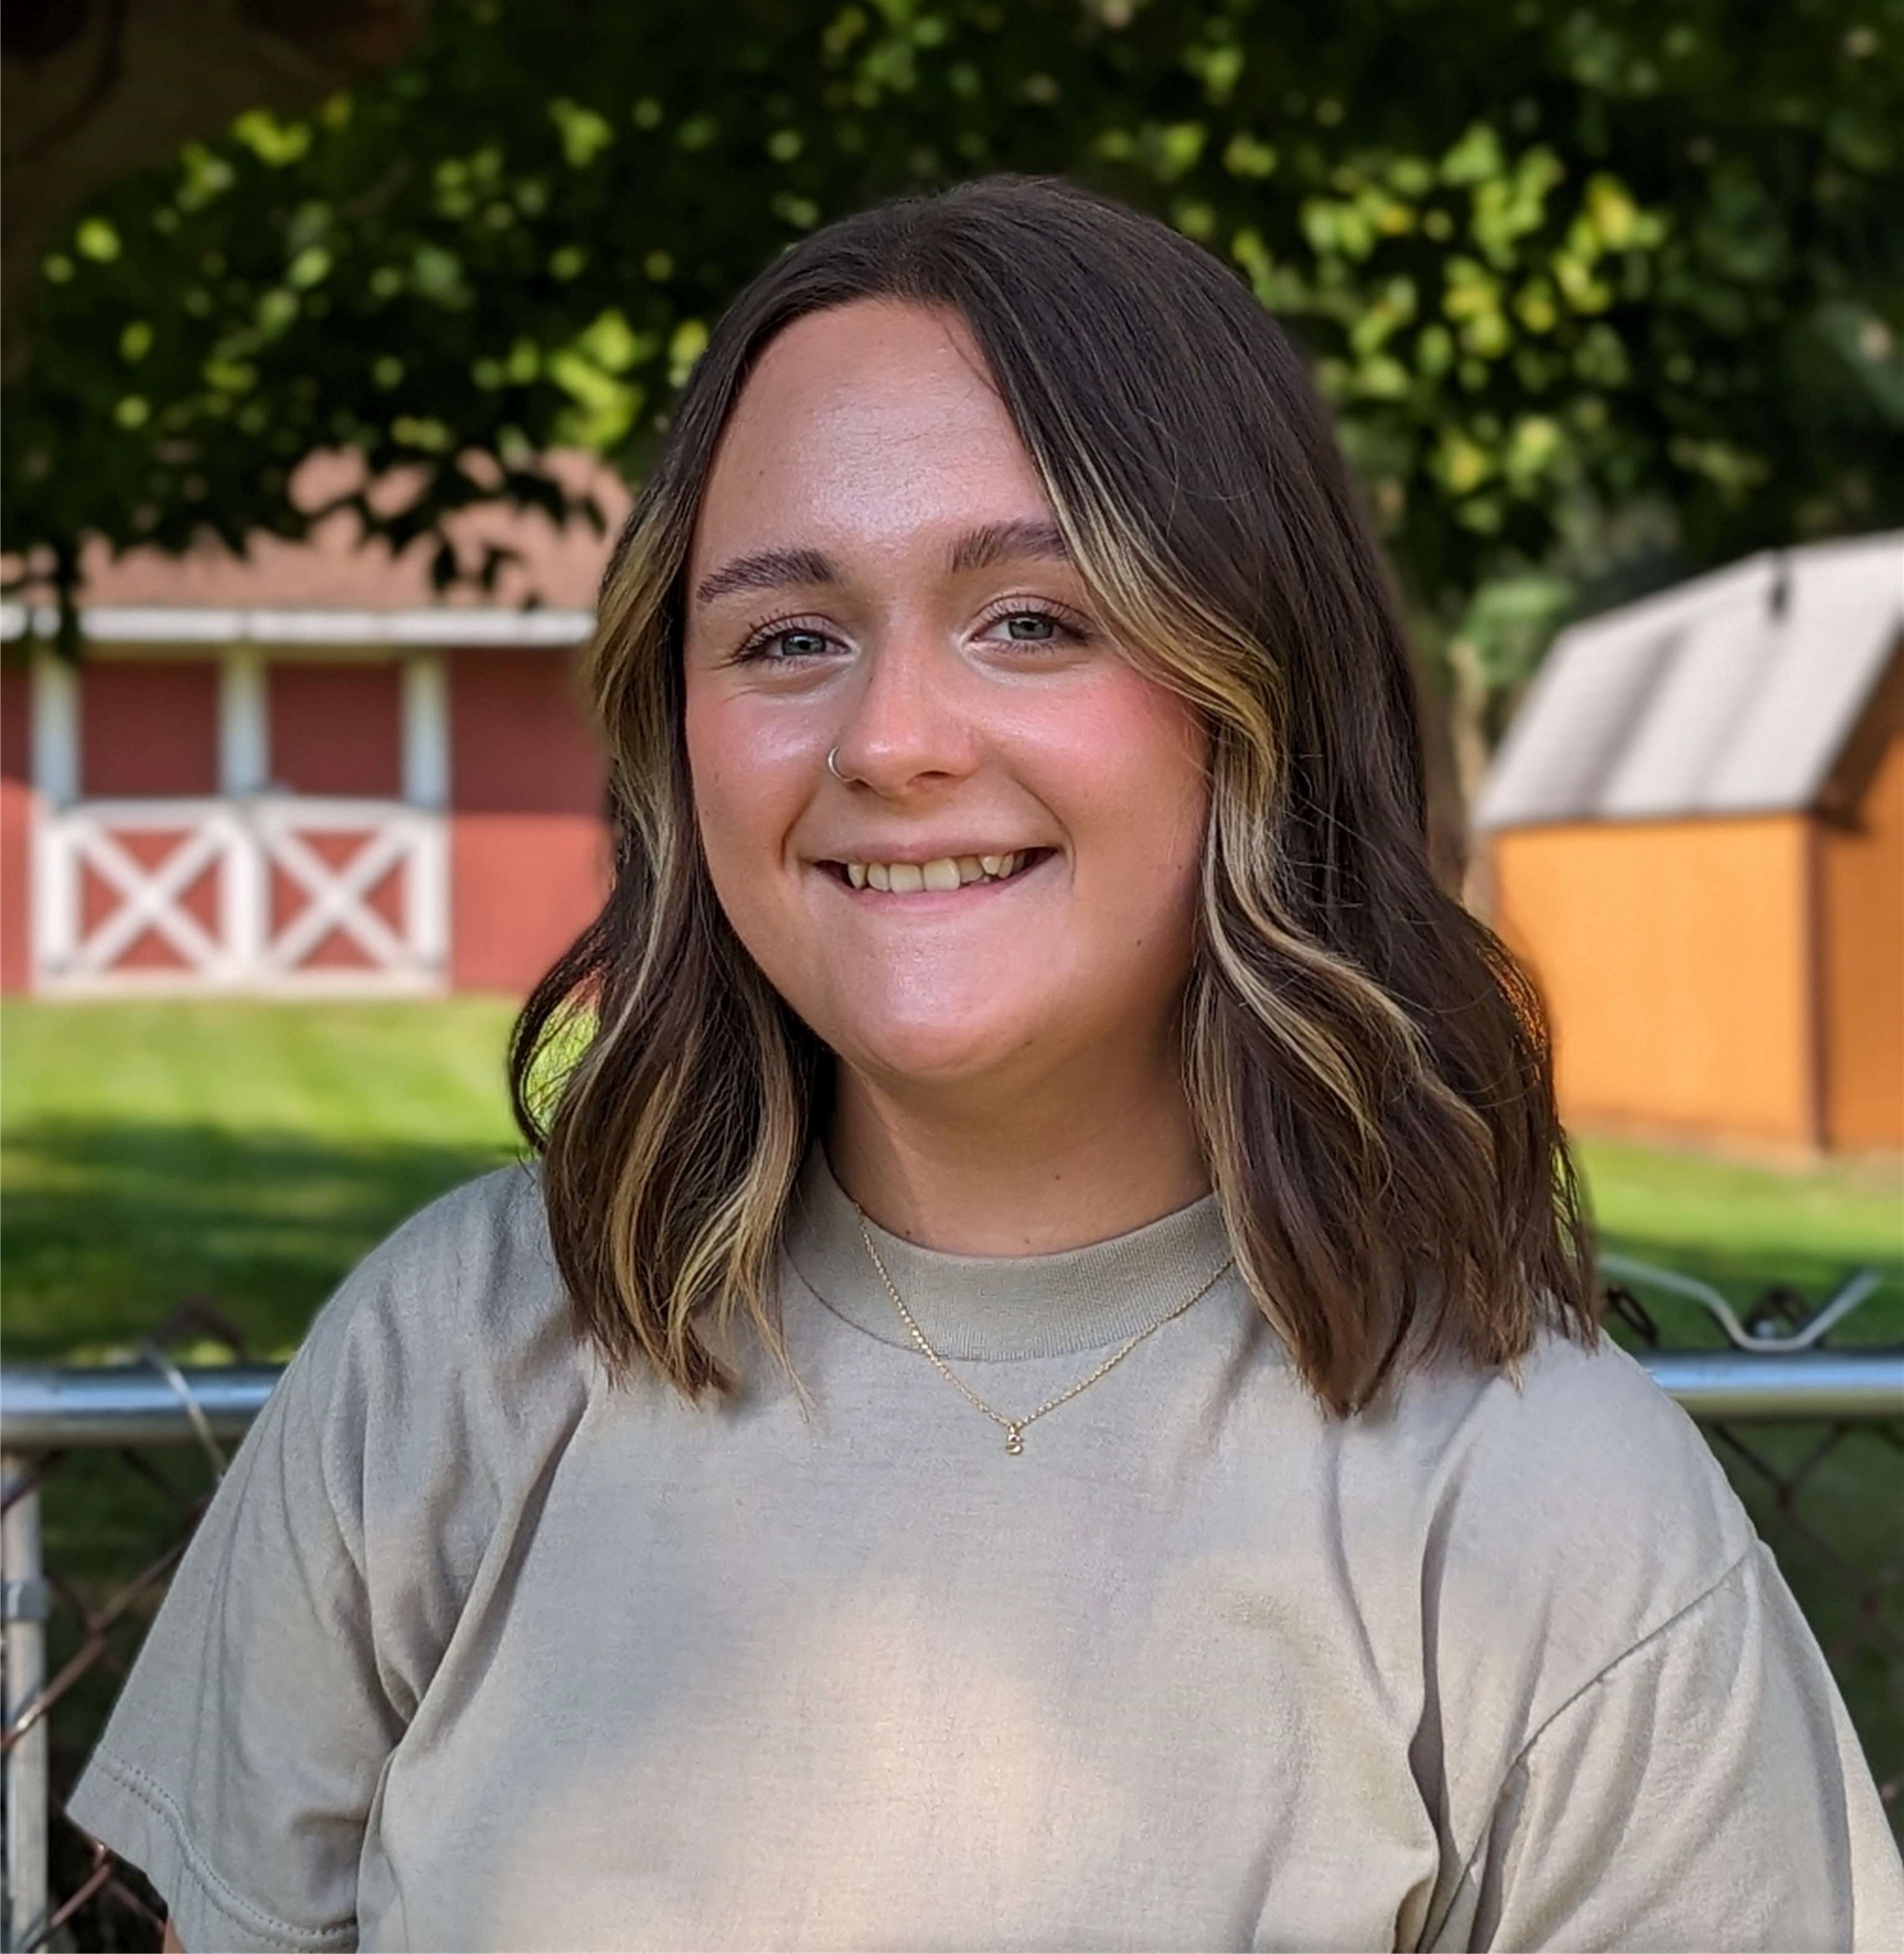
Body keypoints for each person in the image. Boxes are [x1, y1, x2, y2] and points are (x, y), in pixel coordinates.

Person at [73, 175, 1902, 1953]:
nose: (889, 738)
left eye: (1031, 616)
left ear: (1252, 686)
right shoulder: (445, 1366)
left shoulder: (1547, 1523)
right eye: (787, 636)